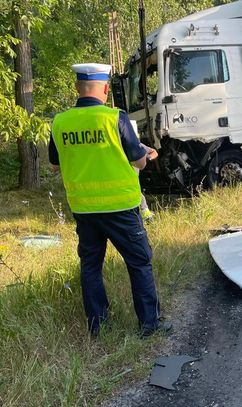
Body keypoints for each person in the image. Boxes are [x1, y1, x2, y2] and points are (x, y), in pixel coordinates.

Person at [48, 63, 171, 337]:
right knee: (139, 262)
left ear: (78, 88)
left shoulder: (60, 122)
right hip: (121, 209)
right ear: (104, 88)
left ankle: (98, 326)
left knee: (91, 266)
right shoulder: (115, 118)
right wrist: (147, 153)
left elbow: (55, 165)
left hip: (83, 209)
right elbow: (138, 159)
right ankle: (149, 325)